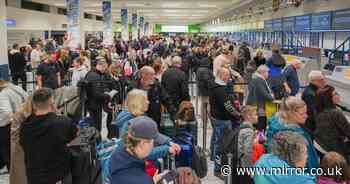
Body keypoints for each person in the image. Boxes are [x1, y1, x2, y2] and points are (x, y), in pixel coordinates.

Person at [20, 88, 78, 184]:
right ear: (52, 104)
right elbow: (75, 138)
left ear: (34, 105)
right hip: (57, 176)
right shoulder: (62, 122)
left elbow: (22, 144)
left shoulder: (25, 125)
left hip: (34, 176)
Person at [115, 89, 181, 160]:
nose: (148, 102)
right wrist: (166, 149)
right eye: (145, 100)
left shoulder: (135, 117)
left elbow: (153, 134)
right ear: (138, 103)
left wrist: (168, 142)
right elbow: (140, 153)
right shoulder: (130, 124)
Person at [109, 116, 173, 184]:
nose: (154, 144)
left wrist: (153, 181)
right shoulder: (142, 180)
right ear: (143, 143)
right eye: (153, 141)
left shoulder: (119, 152)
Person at [266, 96, 319, 170]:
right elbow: (305, 163)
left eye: (306, 112)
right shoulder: (296, 137)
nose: (306, 116)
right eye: (302, 114)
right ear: (290, 113)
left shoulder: (275, 125)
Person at [209, 67, 241, 177]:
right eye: (227, 75)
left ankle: (213, 158)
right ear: (222, 75)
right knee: (222, 145)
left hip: (216, 117)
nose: (229, 77)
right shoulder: (220, 90)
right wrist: (238, 114)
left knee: (216, 140)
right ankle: (218, 169)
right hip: (222, 119)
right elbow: (228, 106)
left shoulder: (215, 86)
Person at [313, 85, 350, 160]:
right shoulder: (335, 112)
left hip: (319, 142)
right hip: (331, 146)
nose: (338, 95)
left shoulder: (318, 108)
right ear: (328, 99)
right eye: (335, 94)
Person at [0, 79, 28, 173]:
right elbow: (28, 101)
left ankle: (12, 170)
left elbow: (6, 112)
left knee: (8, 152)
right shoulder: (17, 88)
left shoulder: (3, 94)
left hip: (8, 126)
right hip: (24, 122)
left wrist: (12, 120)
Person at [85, 57, 116, 132]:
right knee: (96, 126)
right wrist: (108, 95)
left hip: (93, 104)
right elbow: (96, 94)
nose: (105, 70)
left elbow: (105, 85)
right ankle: (96, 140)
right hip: (94, 105)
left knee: (96, 125)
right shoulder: (94, 76)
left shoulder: (94, 73)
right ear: (99, 65)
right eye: (104, 67)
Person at [10, 93, 33, 184]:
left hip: (29, 153)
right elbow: (15, 135)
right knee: (21, 176)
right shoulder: (20, 114)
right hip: (20, 151)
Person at [246, 65, 274, 131]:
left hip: (255, 106)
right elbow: (264, 94)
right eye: (267, 72)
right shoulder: (259, 80)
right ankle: (259, 140)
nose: (268, 74)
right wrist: (271, 97)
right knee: (260, 127)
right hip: (259, 107)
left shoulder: (255, 79)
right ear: (263, 72)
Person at [237, 105, 259, 184]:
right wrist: (250, 170)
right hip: (244, 167)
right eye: (255, 114)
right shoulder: (248, 131)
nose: (257, 117)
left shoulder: (242, 126)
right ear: (248, 116)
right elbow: (247, 151)